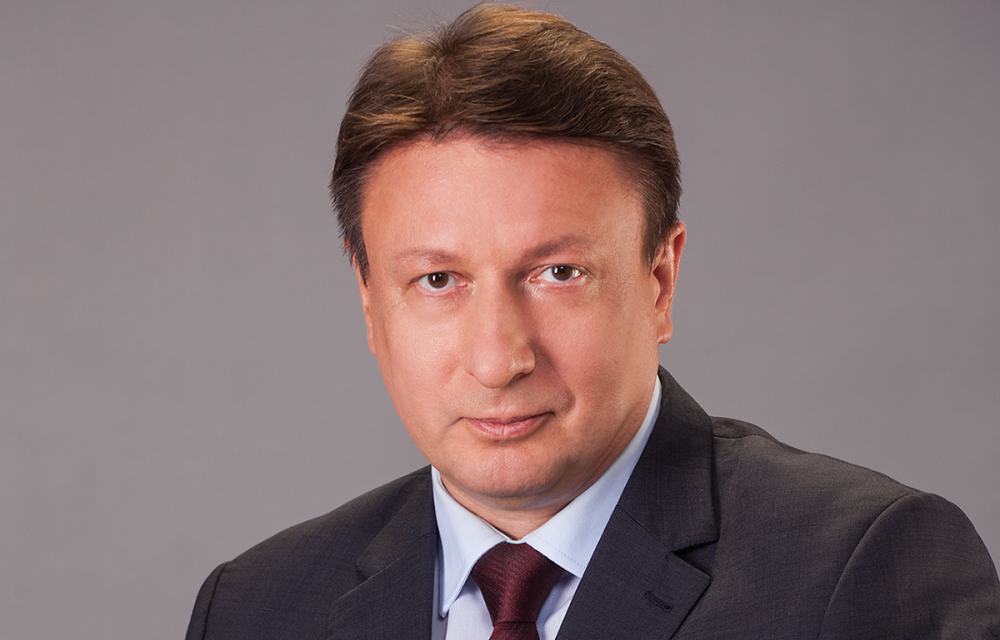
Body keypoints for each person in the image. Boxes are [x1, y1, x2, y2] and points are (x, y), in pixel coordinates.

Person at [184, 4, 1000, 638]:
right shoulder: (255, 608)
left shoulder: (861, 571)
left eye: (557, 273)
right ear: (370, 303)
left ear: (659, 281)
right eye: (437, 280)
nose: (498, 359)